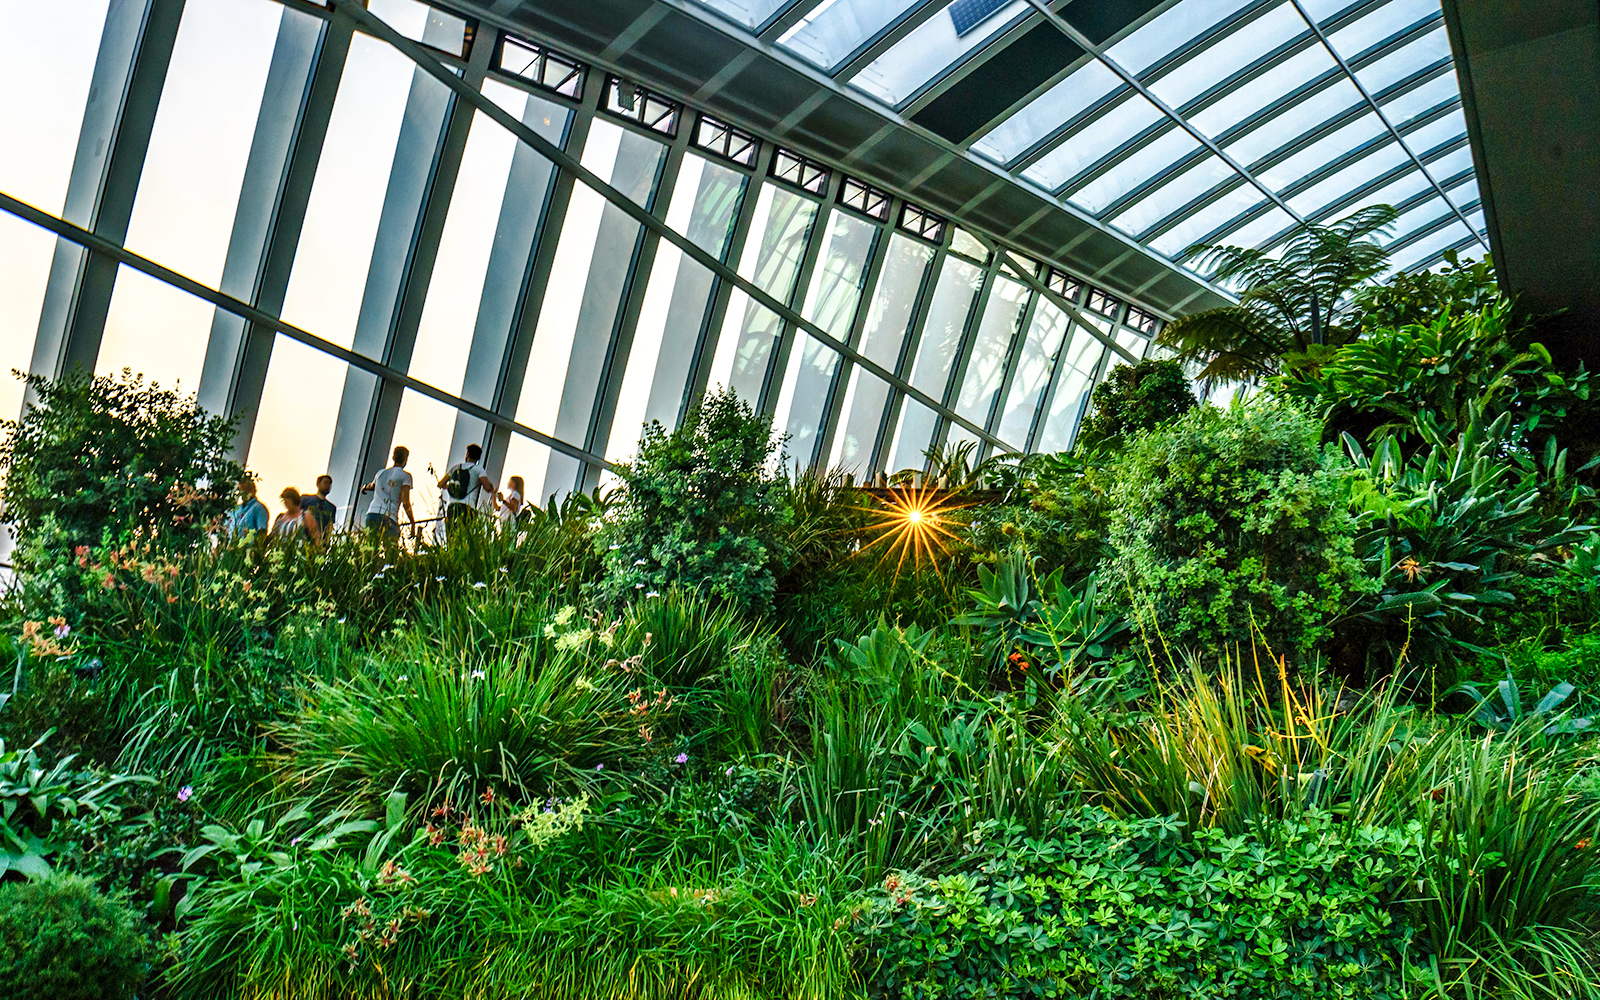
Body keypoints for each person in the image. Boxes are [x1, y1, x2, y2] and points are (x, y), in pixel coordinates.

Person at [361, 445, 415, 541]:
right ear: (405, 460)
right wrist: (412, 522)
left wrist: (364, 487)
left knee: (371, 546)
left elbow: (372, 486)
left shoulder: (380, 473)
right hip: (389, 517)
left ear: (393, 457)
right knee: (390, 548)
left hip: (372, 513)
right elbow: (405, 502)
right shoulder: (405, 476)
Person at [438, 443, 494, 525]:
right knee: (464, 531)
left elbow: (440, 484)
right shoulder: (478, 470)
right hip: (468, 507)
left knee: (452, 531)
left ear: (468, 455)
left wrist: (452, 487)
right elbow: (487, 487)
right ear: (479, 457)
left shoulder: (456, 468)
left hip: (453, 506)